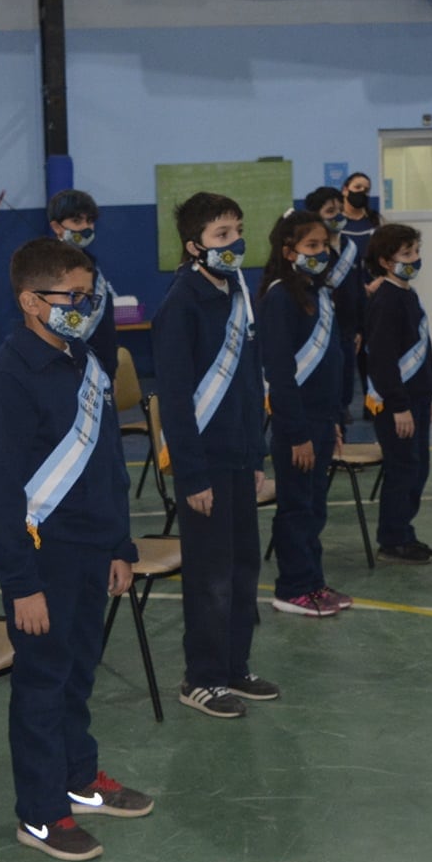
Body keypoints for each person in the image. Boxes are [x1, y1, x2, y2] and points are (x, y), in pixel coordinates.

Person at [0, 238, 145, 862]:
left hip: (91, 552)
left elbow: (108, 467)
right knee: (43, 685)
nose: (85, 306)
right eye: (72, 297)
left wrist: (119, 545)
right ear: (30, 301)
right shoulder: (9, 378)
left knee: (77, 675)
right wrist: (21, 582)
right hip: (42, 562)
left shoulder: (83, 361)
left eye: (89, 295)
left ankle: (79, 777)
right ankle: (41, 812)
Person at [152, 192, 279, 718]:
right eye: (220, 235)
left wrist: (256, 457)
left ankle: (234, 666)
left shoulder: (237, 292)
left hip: (238, 456)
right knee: (210, 577)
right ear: (193, 246)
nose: (234, 243)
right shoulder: (181, 303)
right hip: (203, 465)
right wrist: (193, 475)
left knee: (244, 567)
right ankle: (201, 677)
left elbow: (249, 385)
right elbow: (177, 401)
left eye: (237, 231)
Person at [258, 211, 351, 617]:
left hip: (320, 418)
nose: (320, 254)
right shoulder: (280, 296)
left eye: (324, 246)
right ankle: (292, 586)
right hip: (296, 424)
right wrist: (297, 433)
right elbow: (279, 372)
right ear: (288, 251)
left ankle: (312, 580)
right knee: (296, 507)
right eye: (311, 247)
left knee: (315, 507)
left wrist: (334, 421)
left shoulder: (320, 293)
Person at [363, 225, 432, 562]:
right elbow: (380, 360)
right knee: (403, 469)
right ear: (385, 261)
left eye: (416, 251)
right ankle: (393, 538)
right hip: (398, 405)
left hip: (416, 399)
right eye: (406, 254)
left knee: (417, 468)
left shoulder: (406, 293)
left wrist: (427, 397)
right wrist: (399, 406)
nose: (415, 259)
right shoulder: (387, 300)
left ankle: (404, 530)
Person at [299, 186, 367, 416]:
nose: (338, 215)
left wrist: (360, 327)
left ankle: (343, 412)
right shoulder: (311, 255)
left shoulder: (351, 248)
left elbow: (358, 290)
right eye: (330, 211)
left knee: (346, 381)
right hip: (320, 332)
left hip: (347, 331)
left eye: (340, 209)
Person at [48, 188, 119, 373]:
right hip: (66, 367)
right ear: (57, 227)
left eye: (90, 221)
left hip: (102, 366)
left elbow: (106, 327)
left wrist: (112, 370)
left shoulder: (92, 266)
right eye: (77, 221)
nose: (85, 227)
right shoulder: (48, 269)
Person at [337, 171, 381, 251]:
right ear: (345, 190)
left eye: (366, 190)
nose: (362, 191)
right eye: (357, 187)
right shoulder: (335, 220)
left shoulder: (376, 219)